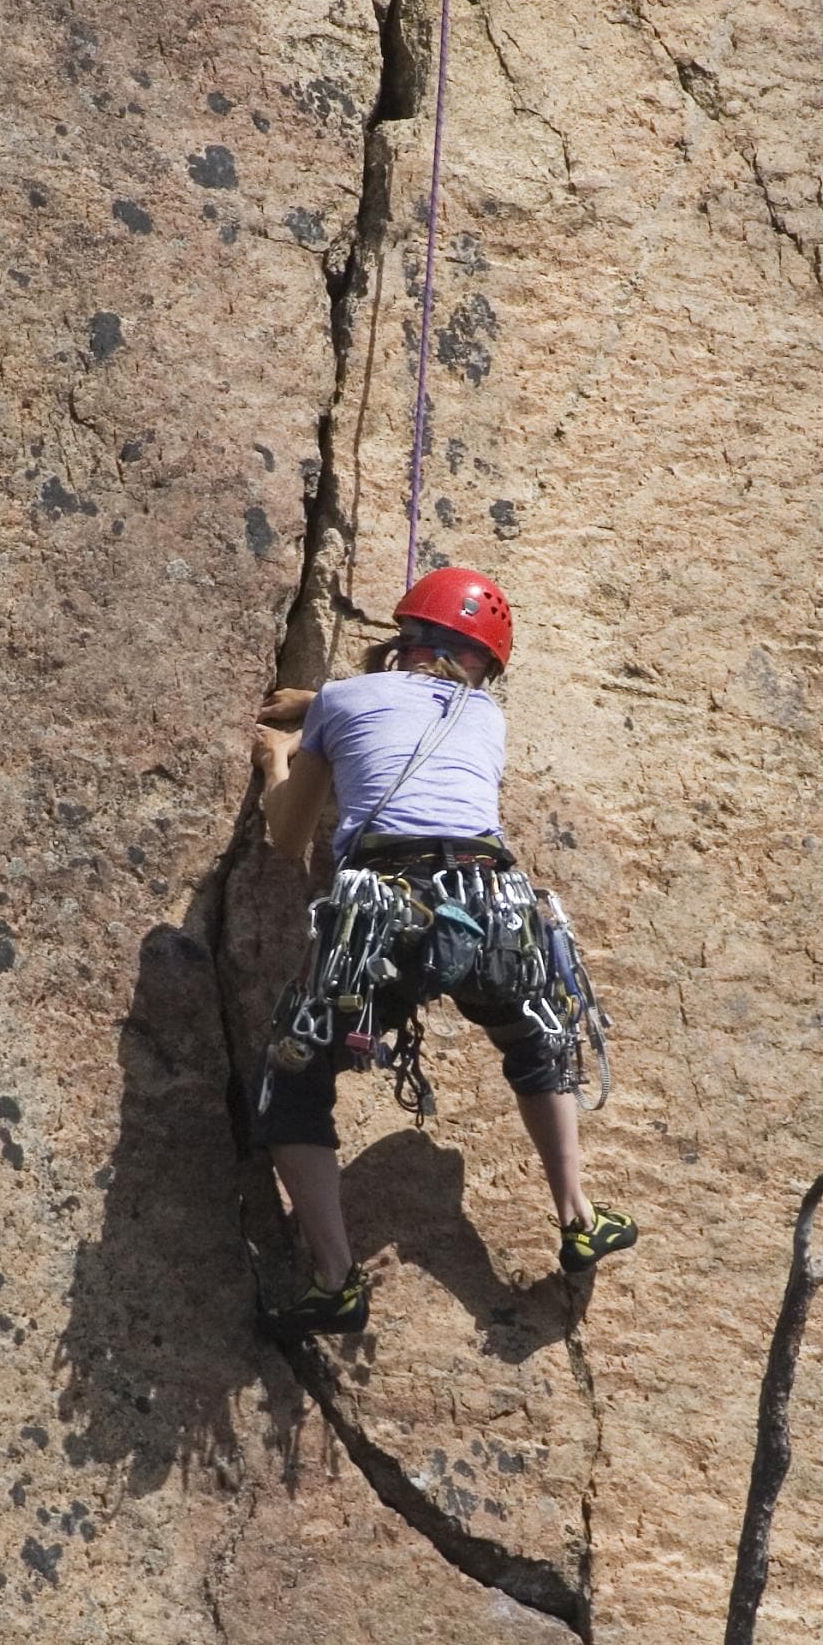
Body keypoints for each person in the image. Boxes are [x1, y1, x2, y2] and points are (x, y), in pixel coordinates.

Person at [250, 566, 636, 1339]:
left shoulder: (347, 698)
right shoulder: (487, 717)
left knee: (292, 1082)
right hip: (495, 904)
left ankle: (334, 1280)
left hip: (385, 913)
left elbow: (287, 840)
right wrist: (318, 708)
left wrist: (278, 761)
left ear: (403, 636)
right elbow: (400, 708)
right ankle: (578, 1214)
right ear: (486, 667)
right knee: (534, 1037)